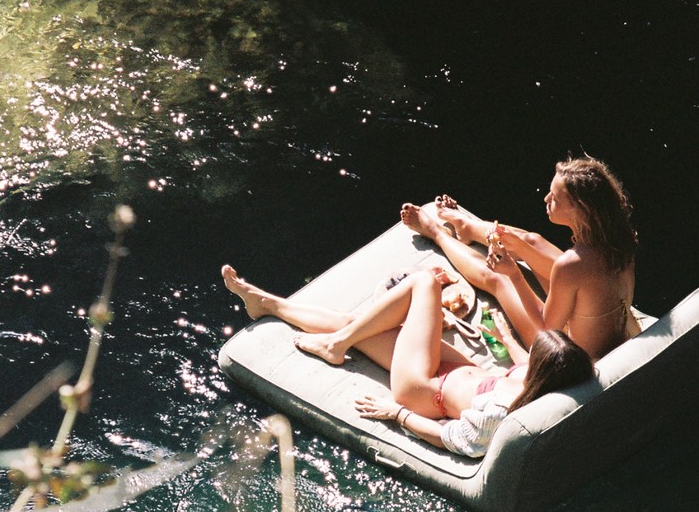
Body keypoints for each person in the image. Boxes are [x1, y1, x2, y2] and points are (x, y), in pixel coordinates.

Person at [221, 264, 594, 458]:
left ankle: (335, 344)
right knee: (362, 328)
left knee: (423, 283)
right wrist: (506, 337)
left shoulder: (500, 415)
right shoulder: (545, 379)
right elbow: (522, 363)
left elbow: (450, 438)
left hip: (423, 391)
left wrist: (395, 413)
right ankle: (267, 303)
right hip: (453, 371)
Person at [400, 155, 639, 361]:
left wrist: (513, 274)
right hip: (619, 333)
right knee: (531, 241)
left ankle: (437, 234)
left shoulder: (572, 264)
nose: (546, 199)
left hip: (574, 355)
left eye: (555, 198)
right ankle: (467, 227)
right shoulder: (618, 238)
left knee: (498, 279)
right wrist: (524, 249)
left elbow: (548, 329)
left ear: (581, 209)